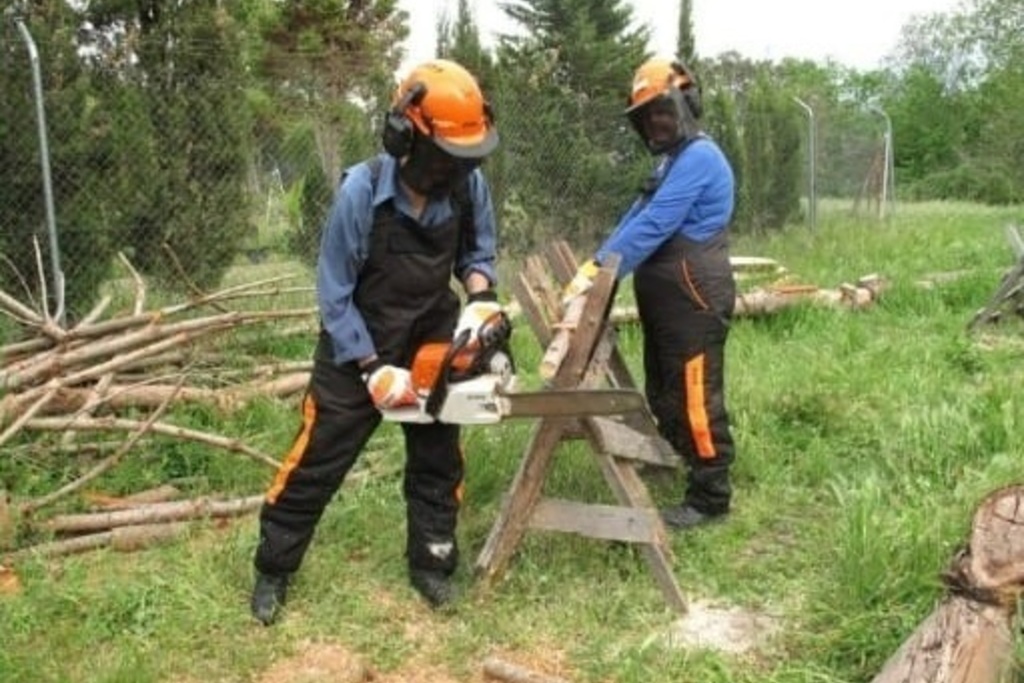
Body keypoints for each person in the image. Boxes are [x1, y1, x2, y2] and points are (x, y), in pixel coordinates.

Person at [250, 58, 502, 625]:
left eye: (465, 159)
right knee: (319, 454)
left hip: (431, 331)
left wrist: (481, 296)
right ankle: (273, 568)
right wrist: (371, 368)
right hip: (356, 338)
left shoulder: (468, 185)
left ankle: (432, 566)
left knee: (439, 455)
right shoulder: (360, 193)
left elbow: (477, 255)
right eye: (446, 159)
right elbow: (334, 294)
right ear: (404, 136)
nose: (454, 172)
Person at [563, 57, 737, 531]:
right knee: (663, 388)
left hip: (694, 293)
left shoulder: (700, 157)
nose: (655, 123)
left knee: (695, 393)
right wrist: (595, 265)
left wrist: (605, 267)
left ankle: (711, 496)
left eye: (662, 111)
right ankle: (683, 461)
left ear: (686, 104)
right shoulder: (669, 162)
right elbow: (636, 217)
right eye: (646, 117)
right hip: (668, 297)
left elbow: (658, 223)